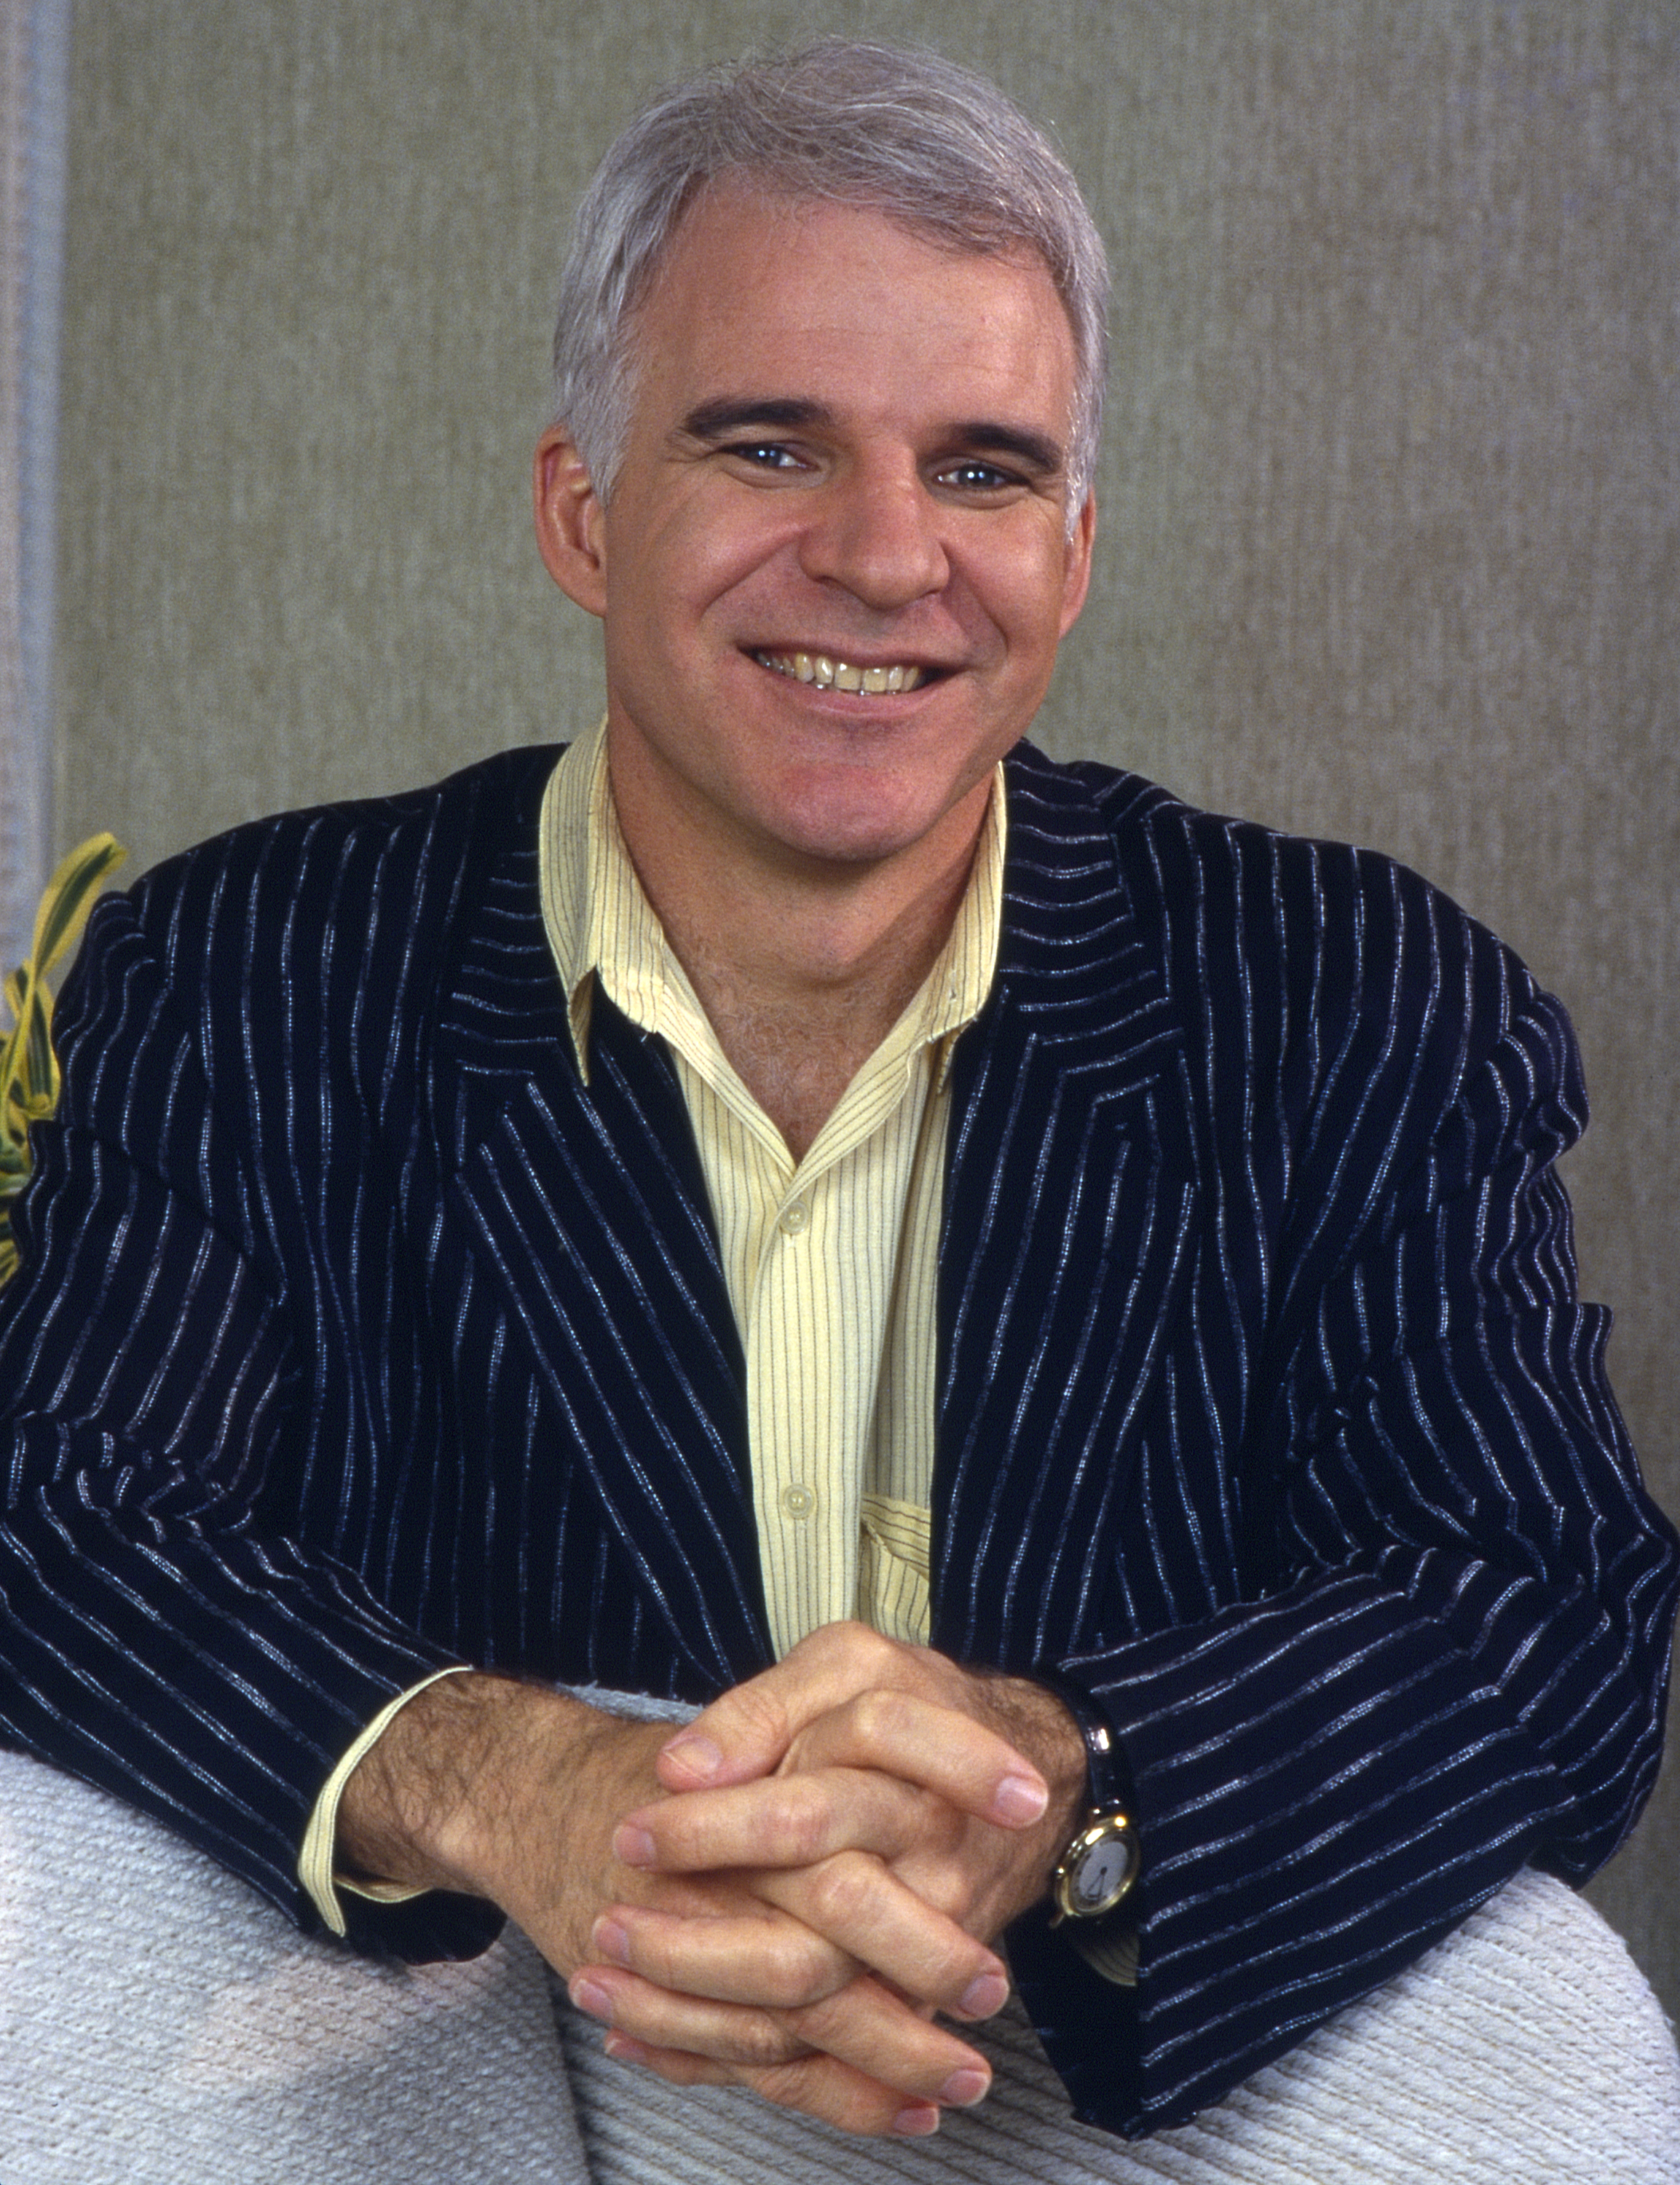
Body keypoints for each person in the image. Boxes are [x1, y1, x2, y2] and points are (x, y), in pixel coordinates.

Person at [0, 37, 1673, 2153]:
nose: (888, 559)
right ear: (582, 512)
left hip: (1050, 2017)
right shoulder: (259, 965)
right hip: (468, 2024)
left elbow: (1539, 1591)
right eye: (771, 448)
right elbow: (57, 1504)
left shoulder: (1348, 995)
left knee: (1547, 2024)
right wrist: (515, 1784)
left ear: (1071, 551)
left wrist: (1051, 1782)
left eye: (980, 470)